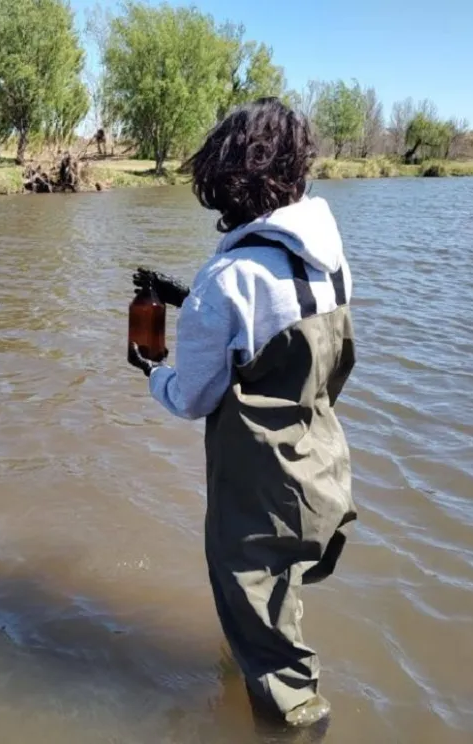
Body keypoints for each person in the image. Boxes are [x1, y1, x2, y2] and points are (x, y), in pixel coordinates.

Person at [127, 97, 357, 730]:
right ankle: (256, 666)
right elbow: (285, 333)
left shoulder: (226, 279)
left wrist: (151, 371)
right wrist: (187, 297)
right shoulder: (330, 261)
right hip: (320, 469)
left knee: (278, 666)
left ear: (227, 180)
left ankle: (298, 724)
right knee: (278, 604)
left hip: (256, 490)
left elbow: (192, 397)